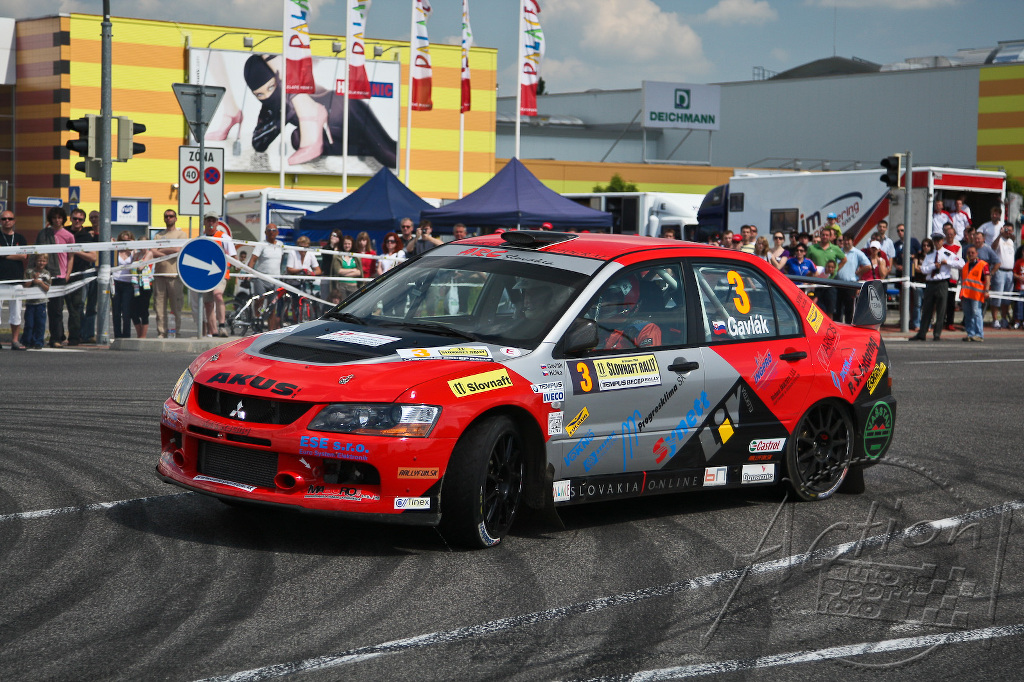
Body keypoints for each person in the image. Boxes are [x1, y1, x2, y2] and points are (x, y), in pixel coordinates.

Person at [241, 53, 398, 167]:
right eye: (260, 94)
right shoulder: (272, 107)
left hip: (347, 111)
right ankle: (368, 149)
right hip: (331, 135)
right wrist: (284, 114)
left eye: (271, 87)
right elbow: (258, 143)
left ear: (279, 80)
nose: (268, 96)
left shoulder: (295, 86)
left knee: (389, 155)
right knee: (297, 138)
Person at [912, 226, 964, 341]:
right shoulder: (930, 255)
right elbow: (923, 269)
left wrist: (948, 262)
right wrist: (933, 266)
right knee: (927, 309)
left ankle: (937, 334)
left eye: (939, 240)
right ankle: (922, 333)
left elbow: (961, 263)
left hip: (942, 283)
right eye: (935, 240)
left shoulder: (947, 253)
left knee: (941, 309)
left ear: (942, 240)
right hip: (931, 283)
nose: (937, 242)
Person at [36, 206, 75, 348]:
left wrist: (68, 274)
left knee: (57, 309)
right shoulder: (44, 233)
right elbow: (36, 252)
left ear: (63, 219)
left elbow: (71, 256)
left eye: (59, 218)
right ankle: (45, 336)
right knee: (42, 307)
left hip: (60, 275)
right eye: (54, 218)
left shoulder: (68, 236)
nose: (57, 220)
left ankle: (56, 338)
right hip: (45, 275)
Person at [594, 273, 661, 349]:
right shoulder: (595, 327)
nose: (602, 304)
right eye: (600, 299)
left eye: (609, 298)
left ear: (625, 301)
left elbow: (649, 355)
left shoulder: (645, 329)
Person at [150, 209, 186, 338]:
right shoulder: (158, 235)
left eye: (171, 216)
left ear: (175, 218)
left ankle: (176, 331)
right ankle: (161, 332)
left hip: (174, 275)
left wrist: (161, 250)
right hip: (159, 275)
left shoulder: (181, 234)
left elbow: (177, 250)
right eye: (166, 216)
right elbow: (153, 252)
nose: (168, 218)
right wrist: (167, 252)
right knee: (159, 307)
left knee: (176, 306)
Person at [64, 208, 95, 346]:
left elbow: (93, 257)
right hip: (63, 273)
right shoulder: (64, 231)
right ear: (70, 218)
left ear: (83, 221)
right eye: (75, 218)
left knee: (78, 306)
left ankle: (77, 335)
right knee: (61, 307)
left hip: (80, 274)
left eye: (80, 219)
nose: (77, 221)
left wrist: (76, 251)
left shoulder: (86, 236)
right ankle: (60, 335)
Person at [202, 212, 236, 337]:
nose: (211, 223)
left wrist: (239, 267)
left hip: (220, 274)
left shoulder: (224, 238)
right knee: (208, 303)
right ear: (204, 222)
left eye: (213, 220)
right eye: (208, 220)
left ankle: (222, 325)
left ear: (217, 223)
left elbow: (233, 256)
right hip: (205, 275)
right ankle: (214, 331)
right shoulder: (201, 238)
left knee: (218, 295)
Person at [0, 209, 28, 350]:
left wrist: (4, 254)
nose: (7, 221)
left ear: (14, 221)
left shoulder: (20, 238)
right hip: (0, 281)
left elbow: (23, 256)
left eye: (9, 219)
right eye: (4, 219)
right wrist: (14, 254)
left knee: (16, 312)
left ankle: (15, 340)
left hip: (16, 280)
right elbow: (18, 255)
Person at [835, 236, 870, 323]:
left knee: (849, 309)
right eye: (844, 240)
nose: (846, 242)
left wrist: (859, 272)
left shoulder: (857, 253)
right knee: (837, 309)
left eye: (848, 240)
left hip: (850, 285)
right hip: (837, 284)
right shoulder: (838, 251)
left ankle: (848, 327)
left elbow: (868, 266)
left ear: (852, 241)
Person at [959, 244, 989, 342]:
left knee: (976, 313)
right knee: (968, 314)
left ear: (977, 253)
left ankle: (979, 334)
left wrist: (986, 290)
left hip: (977, 294)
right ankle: (970, 334)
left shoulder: (983, 264)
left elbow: (987, 278)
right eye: (969, 253)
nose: (971, 254)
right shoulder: (965, 266)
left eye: (972, 253)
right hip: (966, 294)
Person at [111, 231, 138, 340]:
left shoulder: (133, 252)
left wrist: (132, 245)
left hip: (128, 283)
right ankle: (117, 335)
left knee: (126, 311)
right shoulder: (116, 251)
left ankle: (126, 335)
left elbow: (138, 259)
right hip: (116, 281)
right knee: (116, 311)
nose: (124, 243)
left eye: (127, 240)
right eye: (122, 241)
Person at [21, 253, 50, 349]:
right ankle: (27, 340)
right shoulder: (29, 272)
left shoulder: (46, 273)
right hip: (30, 302)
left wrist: (40, 282)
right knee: (29, 323)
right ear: (35, 261)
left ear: (46, 262)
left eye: (43, 261)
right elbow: (25, 285)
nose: (41, 263)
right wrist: (33, 280)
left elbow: (47, 288)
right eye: (39, 260)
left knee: (40, 323)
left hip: (41, 302)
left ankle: (38, 341)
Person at [130, 244, 154, 339]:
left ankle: (143, 335)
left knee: (144, 311)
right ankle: (139, 333)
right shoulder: (136, 254)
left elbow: (141, 267)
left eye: (145, 245)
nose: (143, 247)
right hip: (136, 285)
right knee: (133, 312)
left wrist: (136, 263)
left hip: (146, 285)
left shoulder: (149, 253)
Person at [330, 234, 363, 301]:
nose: (347, 245)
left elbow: (359, 272)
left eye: (349, 244)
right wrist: (353, 270)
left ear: (352, 244)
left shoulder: (356, 257)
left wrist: (344, 272)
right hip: (341, 286)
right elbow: (338, 271)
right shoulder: (338, 256)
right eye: (345, 244)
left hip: (354, 286)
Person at [910, 238, 933, 331]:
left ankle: (928, 325)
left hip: (929, 283)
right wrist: (926, 268)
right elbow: (915, 268)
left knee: (927, 305)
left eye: (928, 245)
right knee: (918, 304)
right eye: (924, 245)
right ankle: (917, 324)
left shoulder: (932, 256)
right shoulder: (918, 256)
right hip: (918, 283)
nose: (926, 247)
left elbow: (932, 269)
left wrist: (923, 268)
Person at [319, 229, 343, 300]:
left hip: (338, 277)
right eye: (332, 235)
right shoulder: (326, 248)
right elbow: (326, 255)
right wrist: (332, 246)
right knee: (325, 297)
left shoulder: (342, 249)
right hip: (327, 275)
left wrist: (336, 248)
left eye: (336, 236)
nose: (333, 237)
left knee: (337, 298)